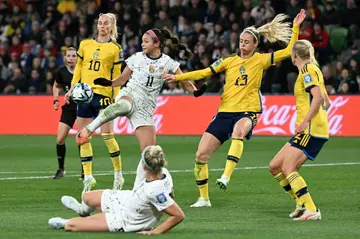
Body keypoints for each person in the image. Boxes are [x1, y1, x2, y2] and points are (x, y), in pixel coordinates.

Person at [162, 10, 307, 207]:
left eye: (247, 42)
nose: (243, 44)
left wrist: (296, 27)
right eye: (241, 41)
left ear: (255, 45)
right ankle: (203, 198)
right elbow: (204, 72)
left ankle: (226, 176)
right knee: (200, 156)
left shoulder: (261, 60)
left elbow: (290, 49)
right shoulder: (228, 61)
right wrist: (177, 77)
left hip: (248, 111)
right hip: (224, 112)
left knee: (239, 130)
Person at [75, 28, 206, 183]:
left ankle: (137, 189)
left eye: (146, 41)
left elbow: (183, 80)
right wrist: (109, 83)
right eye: (142, 41)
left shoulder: (168, 62)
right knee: (123, 105)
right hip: (130, 93)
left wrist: (195, 91)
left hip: (145, 108)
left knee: (149, 154)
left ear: (157, 44)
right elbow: (122, 79)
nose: (142, 44)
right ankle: (89, 129)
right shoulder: (136, 57)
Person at [48, 145, 185, 235]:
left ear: (144, 166)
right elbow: (171, 194)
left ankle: (68, 221)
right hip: (128, 199)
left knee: (71, 225)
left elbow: (178, 215)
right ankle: (81, 211)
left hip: (126, 220)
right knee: (86, 197)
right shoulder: (164, 172)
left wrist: (155, 232)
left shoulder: (154, 191)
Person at [268, 39, 330, 221]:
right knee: (274, 166)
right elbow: (326, 101)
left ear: (294, 55)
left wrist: (304, 123)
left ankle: (311, 209)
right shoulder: (312, 69)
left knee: (288, 167)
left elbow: (318, 98)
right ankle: (300, 203)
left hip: (310, 130)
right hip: (311, 128)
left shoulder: (307, 71)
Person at [64, 13, 125, 193]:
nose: (102, 26)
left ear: (111, 26)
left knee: (107, 137)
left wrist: (115, 96)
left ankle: (118, 175)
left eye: (106, 23)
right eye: (100, 23)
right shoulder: (85, 45)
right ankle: (89, 178)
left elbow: (117, 76)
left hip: (104, 95)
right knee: (83, 137)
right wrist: (72, 89)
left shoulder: (115, 48)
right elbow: (79, 69)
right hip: (84, 95)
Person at [52, 47, 80, 179]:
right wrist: (56, 100)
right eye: (68, 56)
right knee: (60, 139)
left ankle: (85, 171)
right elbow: (56, 85)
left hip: (82, 108)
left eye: (73, 56)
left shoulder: (83, 71)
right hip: (69, 108)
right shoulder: (61, 71)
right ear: (65, 58)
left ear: (77, 57)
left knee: (82, 140)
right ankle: (61, 168)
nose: (70, 58)